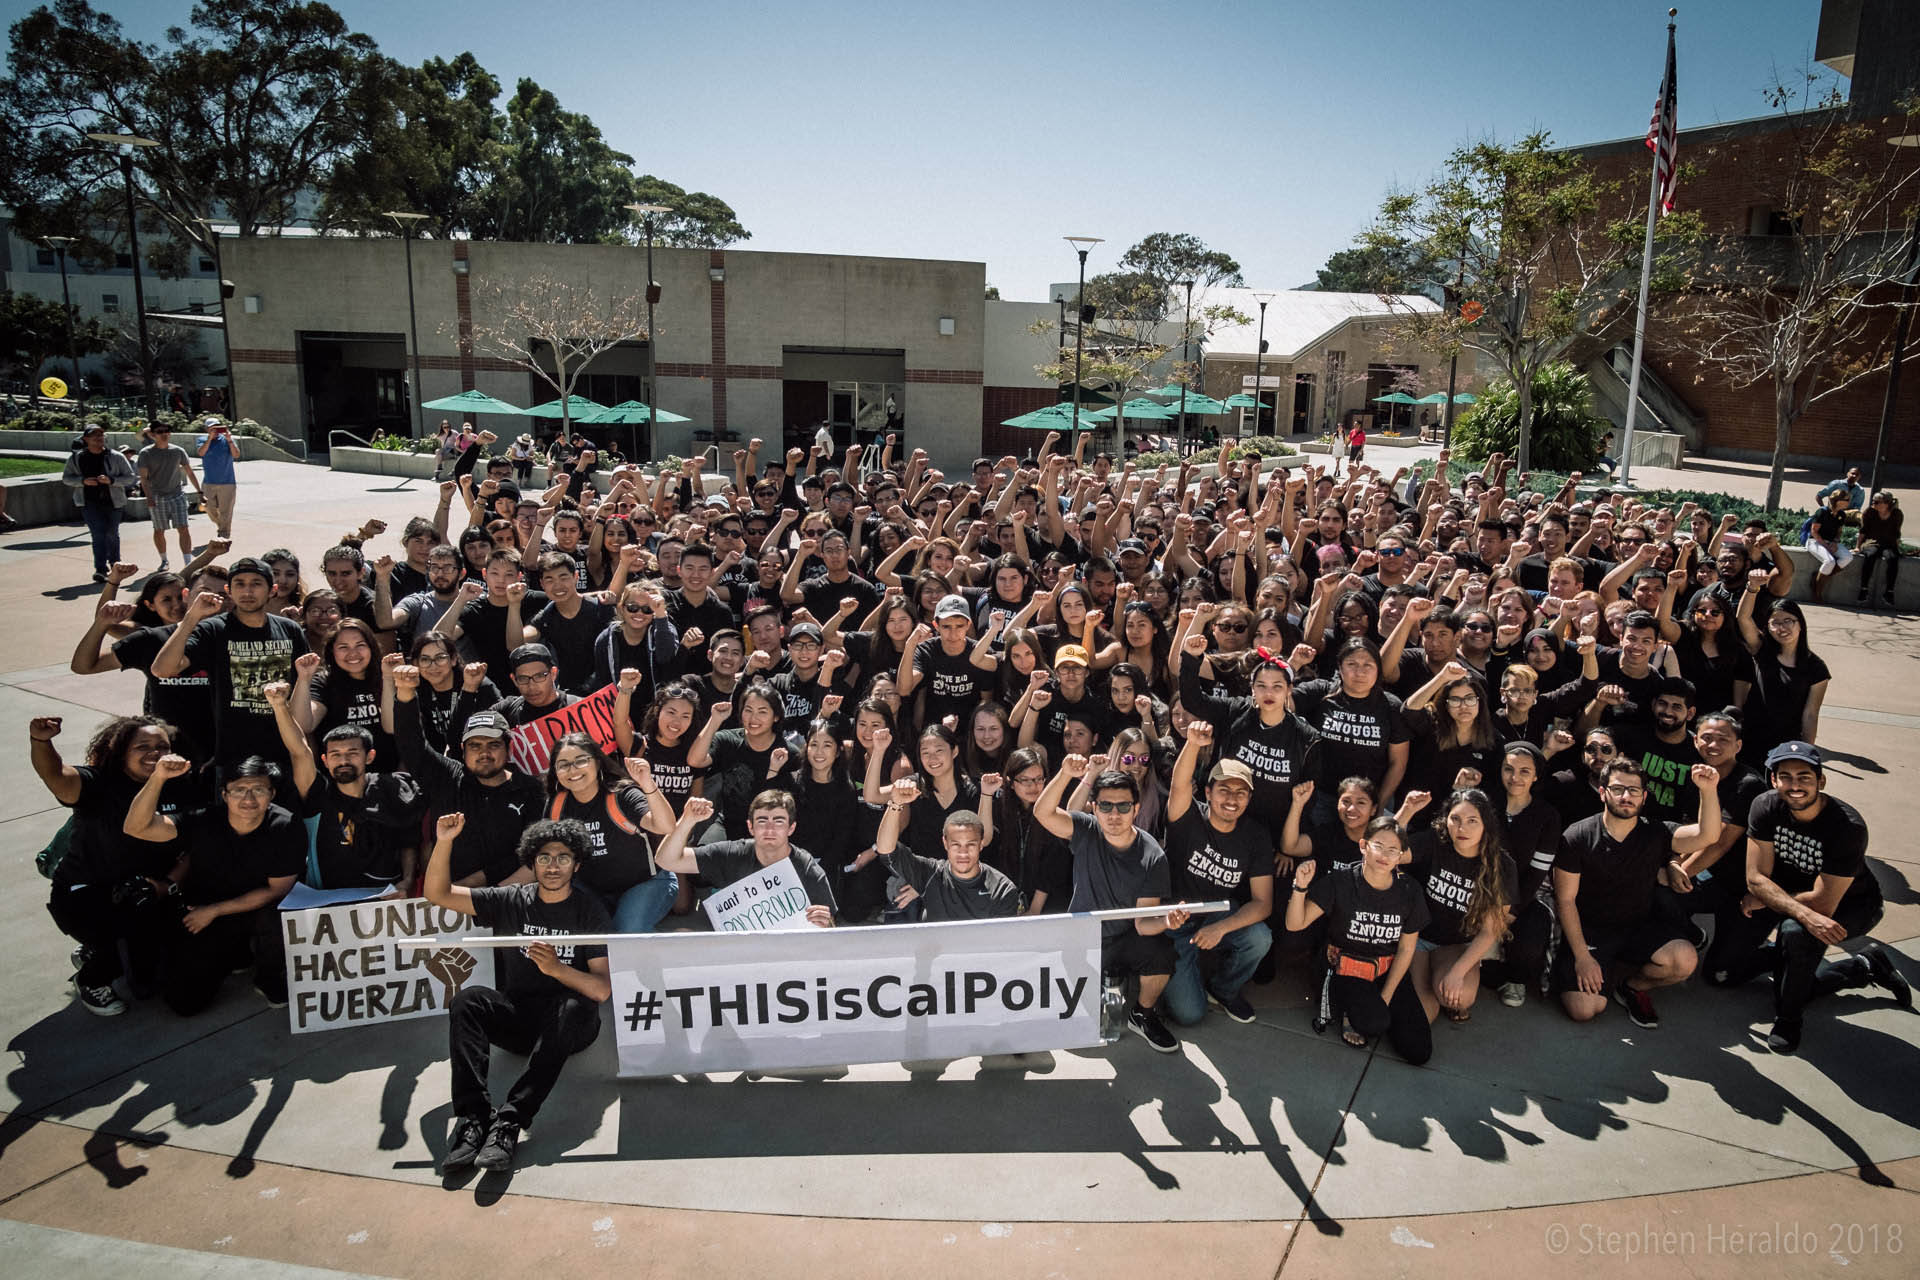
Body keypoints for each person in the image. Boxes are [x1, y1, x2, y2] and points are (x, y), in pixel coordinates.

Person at [426, 814, 612, 1173]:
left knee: (573, 1005)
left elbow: (601, 990)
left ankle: (510, 1122)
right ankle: (473, 1119)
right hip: (522, 1018)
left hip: (571, 1025)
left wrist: (557, 969)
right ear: (531, 862)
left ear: (577, 864)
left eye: (562, 858)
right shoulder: (511, 900)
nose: (553, 866)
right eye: (543, 858)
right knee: (468, 999)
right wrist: (444, 840)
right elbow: (439, 894)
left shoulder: (590, 911)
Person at [1705, 742, 1908, 1054]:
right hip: (1786, 897)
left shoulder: (1846, 827)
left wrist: (1770, 898)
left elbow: (1822, 903)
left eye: (1804, 776)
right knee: (1721, 974)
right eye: (1785, 776)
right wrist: (1768, 896)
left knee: (1795, 933)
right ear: (1773, 780)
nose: (1795, 785)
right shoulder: (1766, 805)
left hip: (1852, 906)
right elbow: (1756, 878)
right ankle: (1864, 966)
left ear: (1821, 781)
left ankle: (1789, 1017)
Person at [32, 714, 192, 1015]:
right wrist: (41, 742)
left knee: (158, 972)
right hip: (86, 892)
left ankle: (102, 949)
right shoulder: (97, 784)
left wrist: (167, 884)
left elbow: (190, 848)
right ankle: (92, 977)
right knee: (119, 941)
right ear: (120, 752)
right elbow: (56, 776)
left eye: (162, 746)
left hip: (148, 891)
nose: (154, 753)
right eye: (142, 746)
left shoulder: (180, 786)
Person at [122, 754, 304, 1013]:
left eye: (258, 790)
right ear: (225, 794)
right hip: (203, 913)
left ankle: (269, 977)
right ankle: (235, 955)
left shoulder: (286, 825)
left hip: (249, 910)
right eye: (239, 790)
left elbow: (278, 889)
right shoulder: (202, 820)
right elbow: (136, 827)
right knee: (185, 1004)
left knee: (276, 914)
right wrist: (157, 777)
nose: (249, 799)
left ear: (272, 793)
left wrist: (215, 910)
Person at [1033, 754, 1186, 1054]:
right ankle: (1108, 985)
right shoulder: (1086, 830)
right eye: (1105, 806)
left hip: (1124, 938)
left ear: (1136, 809)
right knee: (1075, 1032)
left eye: (1123, 806)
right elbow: (1043, 812)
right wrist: (1065, 774)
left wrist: (1167, 921)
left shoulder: (1152, 856)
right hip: (1079, 939)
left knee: (1160, 953)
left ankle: (1141, 1013)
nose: (1114, 814)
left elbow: (1143, 924)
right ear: (1094, 808)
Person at [1553, 757, 1721, 1027]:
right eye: (1617, 789)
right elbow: (1565, 900)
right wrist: (1583, 957)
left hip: (1636, 927)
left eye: (1633, 791)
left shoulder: (1656, 832)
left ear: (1643, 797)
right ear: (1602, 792)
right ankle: (1598, 967)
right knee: (1584, 1009)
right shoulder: (1577, 836)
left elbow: (1707, 836)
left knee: (1684, 960)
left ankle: (1630, 985)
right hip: (1590, 932)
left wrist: (1708, 789)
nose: (1625, 797)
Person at [1285, 816, 1430, 1062]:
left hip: (1384, 967)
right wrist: (1300, 888)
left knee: (1418, 1052)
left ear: (1401, 855)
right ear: (1363, 846)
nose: (1385, 855)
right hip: (1345, 968)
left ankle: (1372, 1007)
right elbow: (1295, 924)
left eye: (1393, 850)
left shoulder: (1409, 890)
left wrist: (1386, 996)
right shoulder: (1341, 881)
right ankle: (1344, 1008)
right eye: (1378, 846)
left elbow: (1406, 949)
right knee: (1373, 1022)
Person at [1158, 724, 1275, 1027]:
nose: (1232, 799)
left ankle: (1223, 989)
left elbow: (1263, 903)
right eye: (1224, 790)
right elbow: (1179, 785)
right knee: (1189, 1014)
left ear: (1249, 798)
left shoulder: (1256, 836)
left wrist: (1221, 928)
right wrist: (1193, 743)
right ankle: (1176, 974)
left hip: (1216, 915)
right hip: (1174, 919)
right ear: (1208, 792)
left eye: (1241, 792)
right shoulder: (1188, 816)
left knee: (1259, 938)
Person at [392, 665, 545, 886]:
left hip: (508, 899)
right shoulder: (446, 777)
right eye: (475, 746)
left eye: (493, 744)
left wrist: (477, 884)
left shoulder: (530, 789)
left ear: (508, 748)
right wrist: (405, 693)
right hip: (448, 908)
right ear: (462, 751)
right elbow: (411, 744)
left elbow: (532, 851)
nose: (484, 753)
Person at [150, 558, 308, 771]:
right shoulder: (213, 630)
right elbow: (162, 669)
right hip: (233, 756)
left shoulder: (290, 630)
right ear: (229, 591)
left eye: (256, 583)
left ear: (273, 590)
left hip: (286, 751)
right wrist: (191, 617)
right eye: (239, 584)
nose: (247, 591)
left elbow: (303, 687)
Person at [264, 682, 423, 891]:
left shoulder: (392, 787)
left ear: (369, 757)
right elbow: (299, 752)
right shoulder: (317, 795)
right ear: (325, 760)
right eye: (335, 755)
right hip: (330, 901)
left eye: (352, 753)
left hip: (388, 898)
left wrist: (408, 880)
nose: (343, 760)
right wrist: (279, 706)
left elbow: (408, 839)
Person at [543, 734, 679, 933]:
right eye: (563, 764)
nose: (573, 770)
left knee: (627, 932)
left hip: (645, 883)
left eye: (581, 760)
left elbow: (666, 827)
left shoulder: (622, 795)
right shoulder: (556, 805)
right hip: (590, 889)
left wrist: (647, 784)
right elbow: (543, 855)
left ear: (597, 762)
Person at [654, 791, 838, 927]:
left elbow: (831, 929)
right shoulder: (732, 854)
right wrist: (687, 820)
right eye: (762, 821)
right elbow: (666, 860)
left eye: (779, 821)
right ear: (750, 827)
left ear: (791, 828)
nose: (770, 829)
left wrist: (824, 923)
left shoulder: (807, 868)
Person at [874, 776, 1020, 919]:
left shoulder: (1002, 889)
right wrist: (895, 803)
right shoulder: (931, 873)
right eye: (956, 845)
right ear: (945, 843)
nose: (963, 853)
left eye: (971, 845)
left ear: (981, 844)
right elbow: (886, 849)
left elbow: (999, 941)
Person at [62, 424, 136, 583]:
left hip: (113, 502)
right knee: (98, 534)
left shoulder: (115, 456)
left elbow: (130, 477)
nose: (99, 438)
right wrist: (83, 481)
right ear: (85, 439)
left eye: (101, 435)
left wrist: (112, 480)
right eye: (94, 435)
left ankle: (116, 564)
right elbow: (66, 478)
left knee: (111, 533)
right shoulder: (77, 458)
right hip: (89, 503)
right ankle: (101, 569)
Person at [135, 423, 202, 571]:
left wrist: (200, 492)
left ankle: (187, 562)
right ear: (153, 435)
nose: (164, 434)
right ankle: (164, 560)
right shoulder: (146, 453)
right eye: (160, 432)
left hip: (177, 494)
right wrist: (149, 498)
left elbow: (189, 472)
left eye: (167, 431)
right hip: (157, 496)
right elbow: (144, 478)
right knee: (159, 530)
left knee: (183, 528)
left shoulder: (178, 451)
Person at [194, 417, 239, 539]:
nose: (216, 429)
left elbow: (236, 455)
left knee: (226, 510)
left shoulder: (228, 439)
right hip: (209, 481)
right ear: (207, 429)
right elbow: (201, 453)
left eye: (218, 426)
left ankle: (224, 535)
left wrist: (229, 440)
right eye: (212, 428)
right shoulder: (201, 440)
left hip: (228, 481)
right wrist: (210, 438)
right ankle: (221, 525)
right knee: (207, 507)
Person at [1856, 491, 1902, 608]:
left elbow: (1897, 533)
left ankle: (1889, 592)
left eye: (1876, 502)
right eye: (1873, 501)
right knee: (1870, 555)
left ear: (1886, 504)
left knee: (1892, 558)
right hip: (1871, 542)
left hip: (1888, 544)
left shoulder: (1897, 514)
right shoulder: (1869, 512)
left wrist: (1898, 549)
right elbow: (1863, 531)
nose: (1873, 503)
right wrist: (1857, 547)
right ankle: (1864, 589)